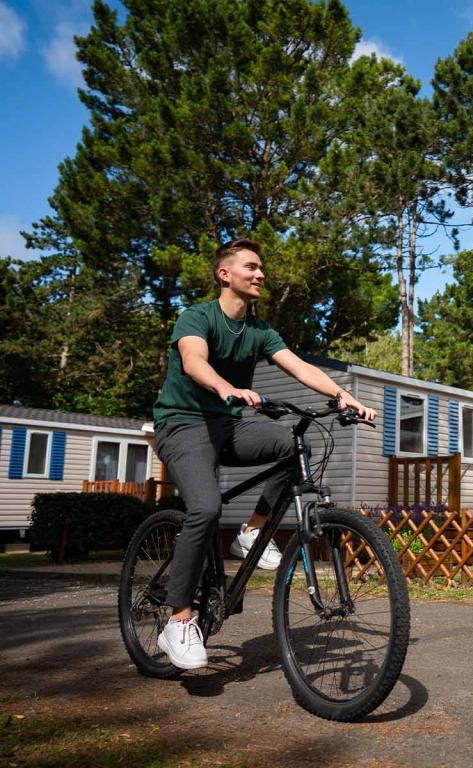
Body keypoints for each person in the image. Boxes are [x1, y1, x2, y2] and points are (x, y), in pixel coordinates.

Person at [151, 238, 375, 669]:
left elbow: (299, 366)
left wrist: (343, 396)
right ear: (225, 274)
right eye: (251, 267)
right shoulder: (198, 316)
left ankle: (253, 530)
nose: (260, 274)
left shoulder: (259, 330)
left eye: (261, 268)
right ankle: (178, 619)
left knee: (293, 443)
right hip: (183, 423)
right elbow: (194, 360)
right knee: (205, 508)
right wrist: (226, 387)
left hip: (228, 424)